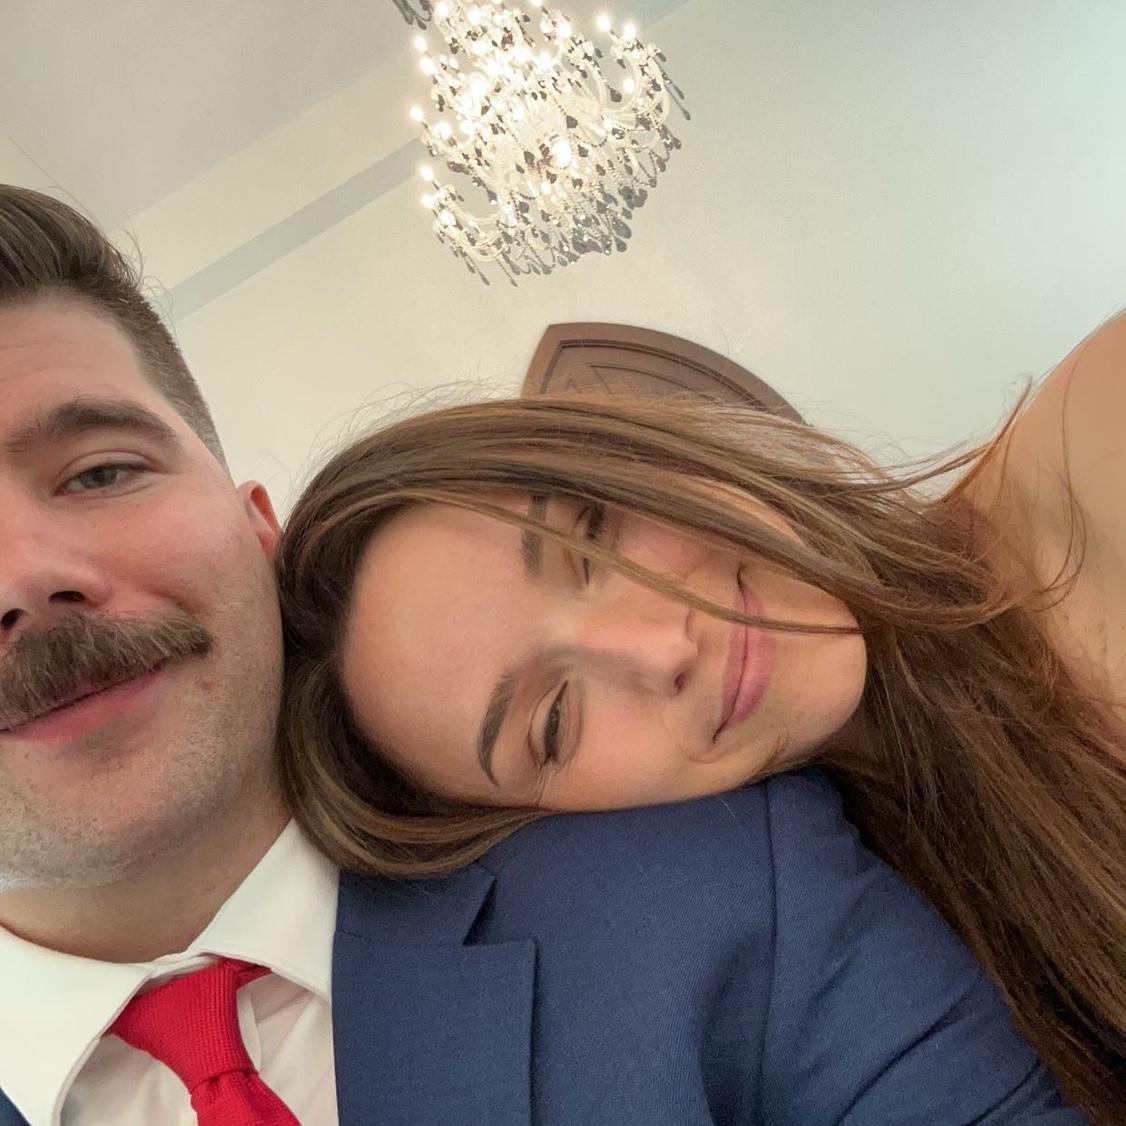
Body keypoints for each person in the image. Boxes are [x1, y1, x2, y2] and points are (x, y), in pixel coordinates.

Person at [0, 183, 1086, 1126]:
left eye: (98, 472)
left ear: (256, 531)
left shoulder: (722, 885)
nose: (23, 577)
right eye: (550, 724)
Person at [277, 323, 1126, 1121]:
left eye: (590, 539)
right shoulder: (850, 939)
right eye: (554, 722)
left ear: (637, 457)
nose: (658, 649)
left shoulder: (1097, 441)